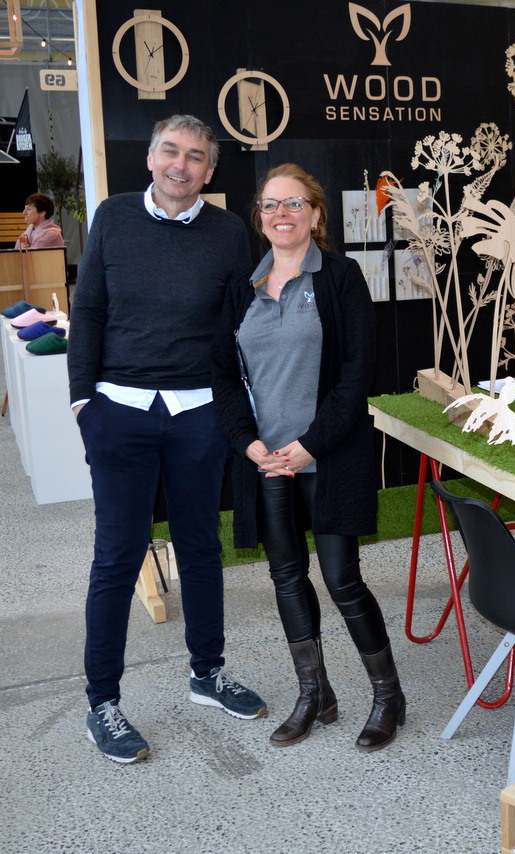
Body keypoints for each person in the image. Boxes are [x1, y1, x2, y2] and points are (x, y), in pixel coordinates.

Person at [69, 115, 264, 764]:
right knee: (117, 557)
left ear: (210, 170)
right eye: (171, 151)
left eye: (196, 156)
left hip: (197, 417)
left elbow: (241, 324)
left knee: (201, 548)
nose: (181, 164)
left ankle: (208, 673)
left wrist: (237, 408)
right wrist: (82, 401)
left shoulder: (228, 233)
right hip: (119, 414)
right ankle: (102, 703)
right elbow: (88, 309)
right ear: (151, 158)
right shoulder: (113, 217)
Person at [211, 163, 405, 751]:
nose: (281, 214)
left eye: (294, 203)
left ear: (316, 214)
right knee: (287, 577)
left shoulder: (341, 278)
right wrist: (248, 443)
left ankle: (388, 696)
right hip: (267, 461)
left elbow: (357, 374)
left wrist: (309, 446)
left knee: (343, 580)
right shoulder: (241, 288)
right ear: (259, 217)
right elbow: (223, 375)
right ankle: (314, 694)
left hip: (327, 457)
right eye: (270, 205)